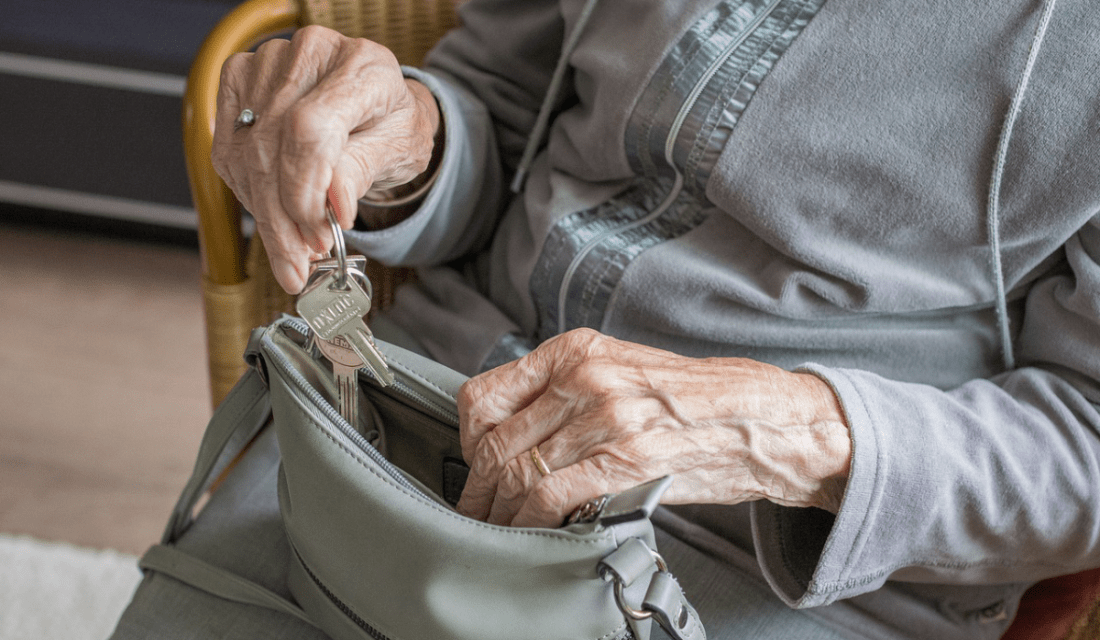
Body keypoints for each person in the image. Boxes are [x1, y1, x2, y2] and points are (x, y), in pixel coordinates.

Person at [211, 0, 1100, 638]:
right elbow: (506, 110)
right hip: (419, 404)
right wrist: (405, 143)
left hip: (769, 558)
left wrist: (770, 430)